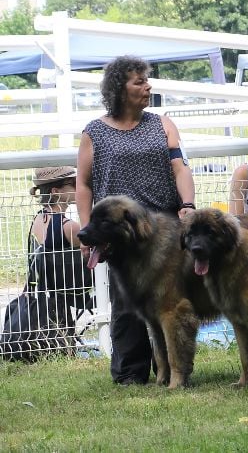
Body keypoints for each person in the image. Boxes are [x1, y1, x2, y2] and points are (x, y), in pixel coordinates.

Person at [77, 55, 195, 385]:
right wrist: (88, 232)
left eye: (147, 80)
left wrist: (187, 204)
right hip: (117, 233)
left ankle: (173, 369)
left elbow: (180, 168)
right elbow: (83, 184)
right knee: (127, 304)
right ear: (119, 88)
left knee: (169, 301)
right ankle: (130, 373)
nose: (147, 86)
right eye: (139, 82)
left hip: (165, 232)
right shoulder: (94, 132)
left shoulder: (163, 124)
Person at [29, 166, 93, 328]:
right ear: (55, 191)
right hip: (79, 291)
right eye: (73, 183)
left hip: (51, 289)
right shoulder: (70, 227)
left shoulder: (37, 220)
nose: (79, 187)